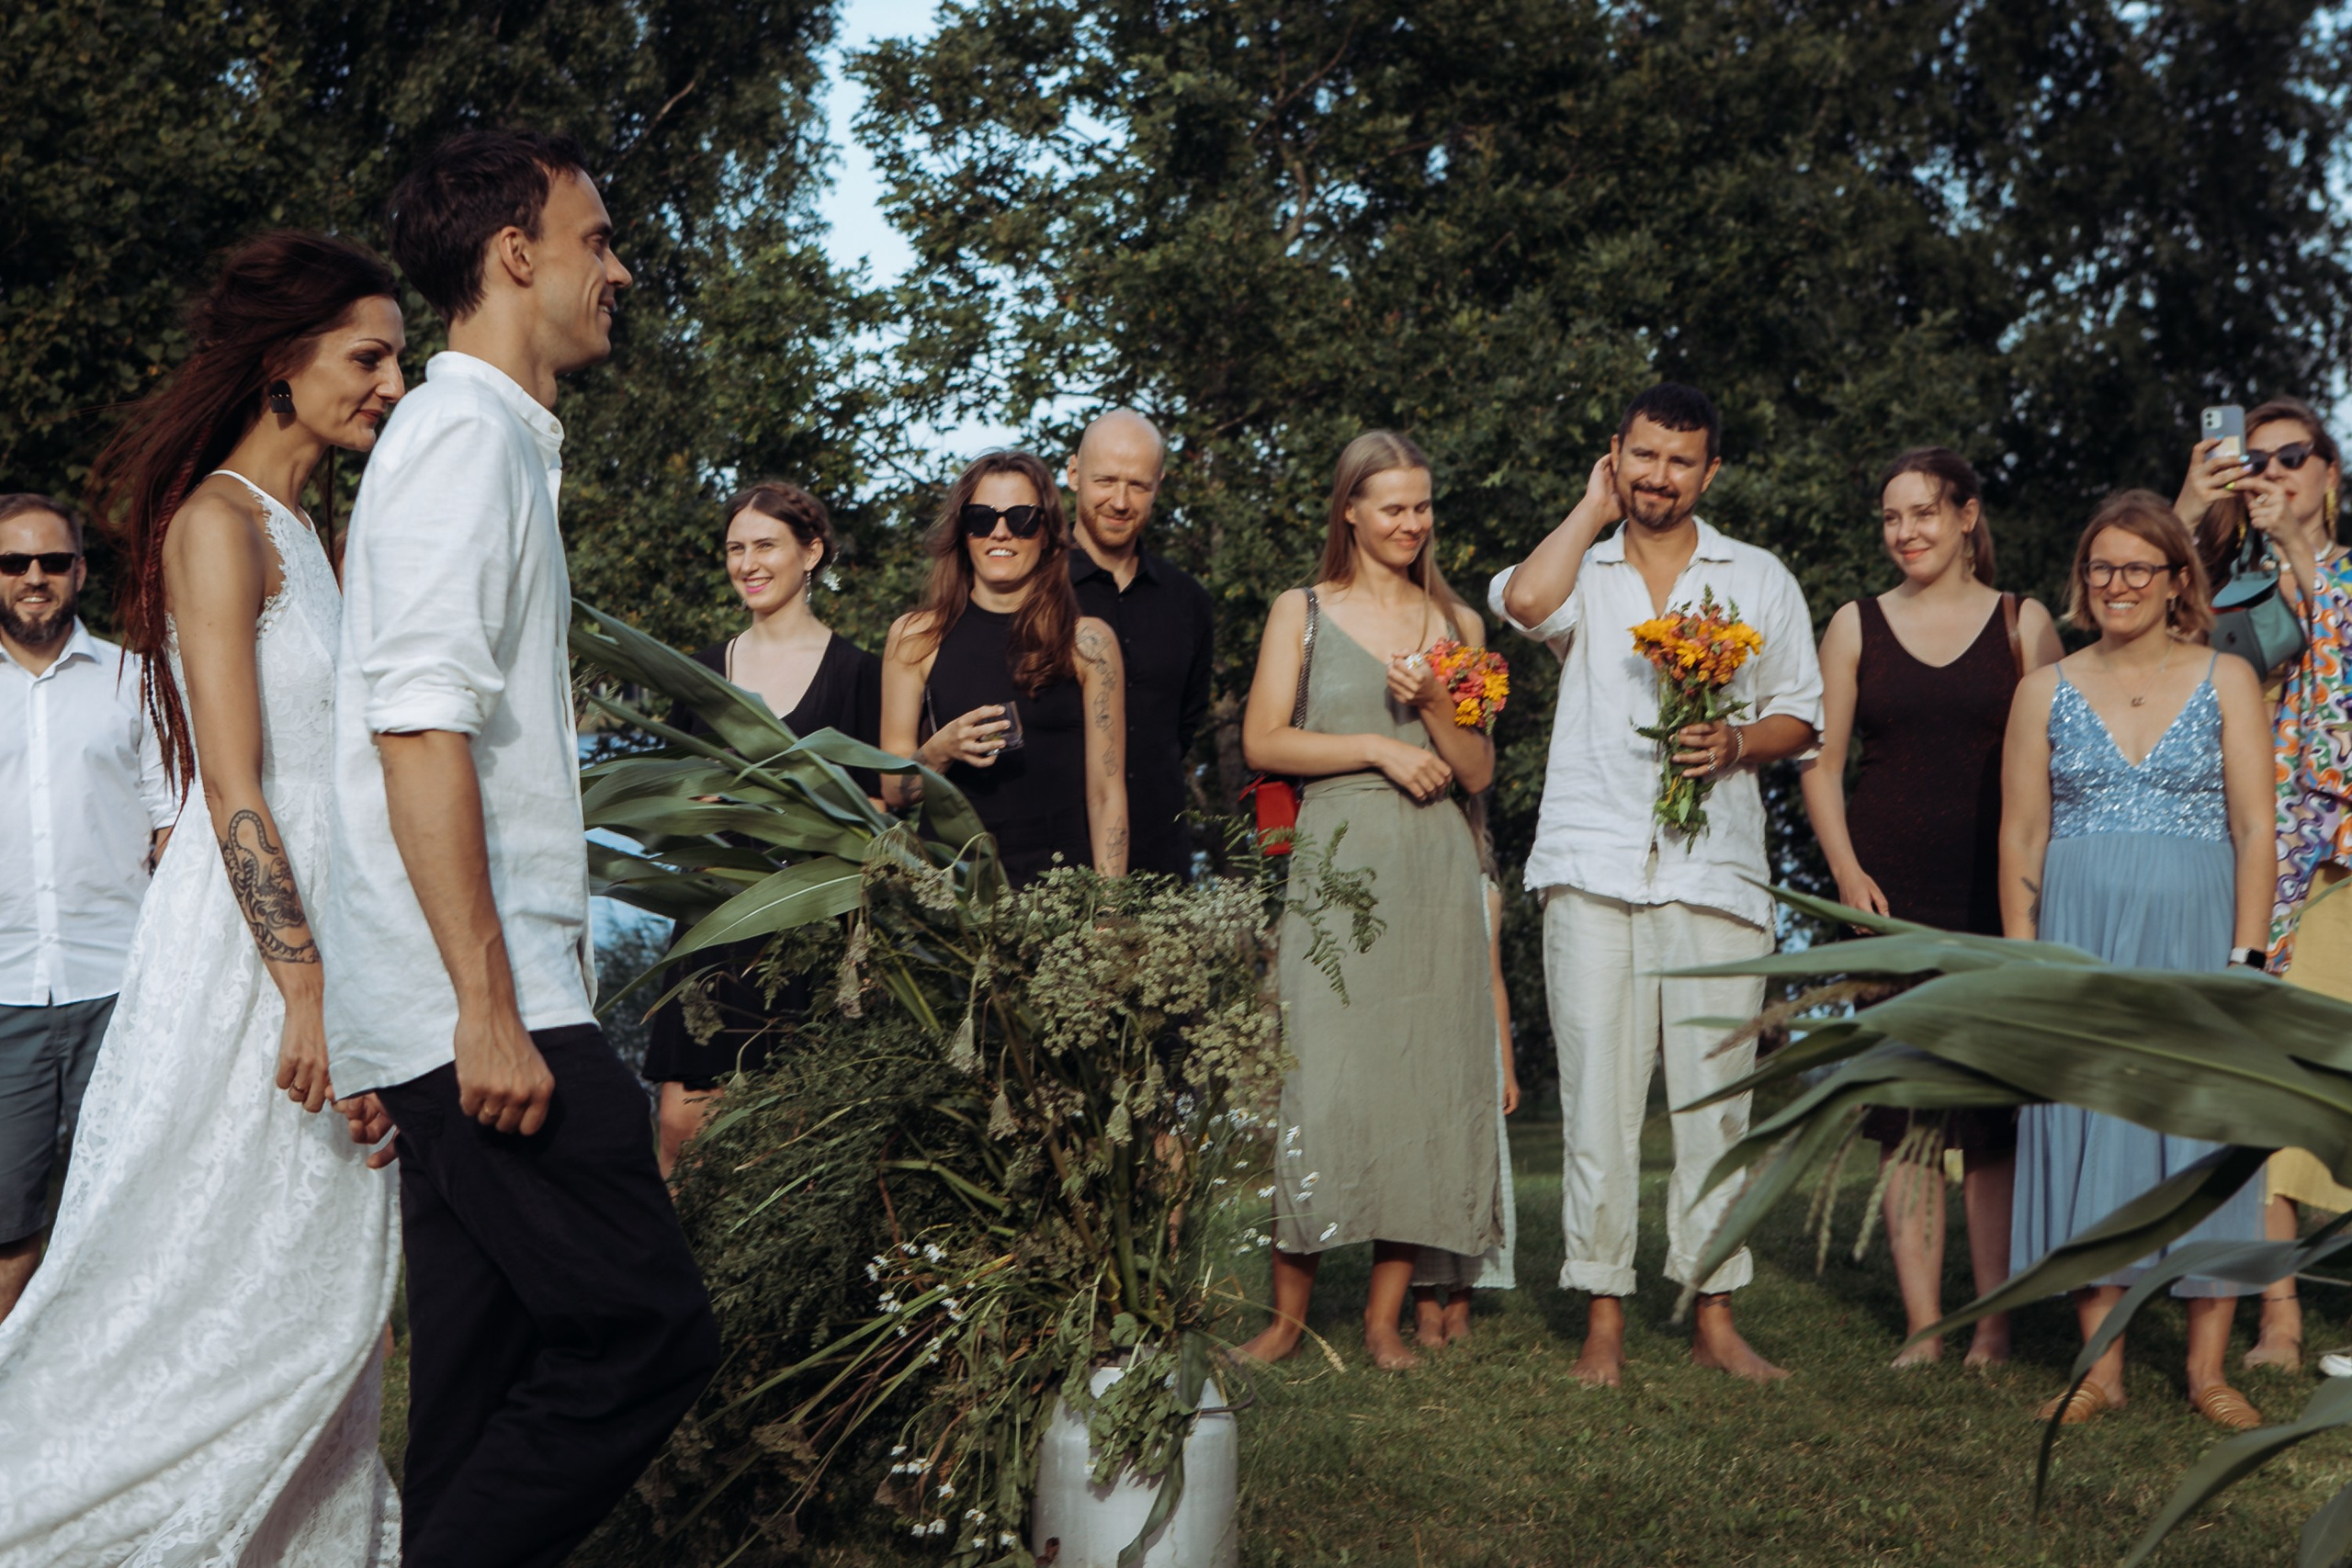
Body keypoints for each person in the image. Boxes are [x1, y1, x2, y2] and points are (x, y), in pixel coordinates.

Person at [321, 130, 719, 1565]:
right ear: (513, 253)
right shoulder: (463, 440)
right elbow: (417, 729)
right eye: (595, 239)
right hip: (490, 1012)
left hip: (447, 1005)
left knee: (479, 1389)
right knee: (649, 1332)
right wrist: (485, 1008)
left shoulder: (483, 442)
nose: (619, 270)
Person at [0, 232, 406, 1562]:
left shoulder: (312, 535)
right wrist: (307, 989)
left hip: (332, 932)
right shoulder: (216, 526)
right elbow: (232, 784)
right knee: (195, 1277)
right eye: (369, 357)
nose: (393, 385)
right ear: (283, 361)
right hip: (250, 961)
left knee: (312, 1289)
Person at [1489, 382, 1822, 1387]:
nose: (1659, 477)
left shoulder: (1755, 576)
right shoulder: (1583, 569)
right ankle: (1604, 1316)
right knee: (1597, 1102)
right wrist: (1590, 507)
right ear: (1616, 453)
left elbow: (1801, 714)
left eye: (1681, 461)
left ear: (1709, 471)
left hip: (1715, 871)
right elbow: (1522, 606)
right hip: (1591, 863)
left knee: (1715, 1105)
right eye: (1642, 456)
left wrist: (1735, 742)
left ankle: (1713, 1311)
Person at [2000, 491, 2272, 1430]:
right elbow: (2022, 833)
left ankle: (2207, 1371)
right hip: (2079, 938)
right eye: (2101, 567)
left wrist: (2246, 956)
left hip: (2199, 936)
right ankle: (2099, 1368)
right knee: (2087, 1125)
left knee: (2207, 1128)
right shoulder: (2043, 688)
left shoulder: (2227, 678)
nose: (2117, 584)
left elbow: (2254, 826)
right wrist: (2023, 961)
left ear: (2176, 580)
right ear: (2084, 580)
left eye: (2136, 568)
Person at [1235, 430, 1502, 1373]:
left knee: (1418, 1081)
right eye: (1392, 507)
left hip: (1433, 867)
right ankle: (1285, 1319)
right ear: (1349, 510)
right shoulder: (1301, 610)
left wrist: (1429, 706)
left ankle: (1384, 1321)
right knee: (1324, 1080)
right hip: (1338, 857)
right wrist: (1379, 747)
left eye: (1422, 506)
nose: (1410, 523)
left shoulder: (1459, 626)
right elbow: (1264, 741)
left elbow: (1476, 769)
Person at [1799, 449, 2064, 1368]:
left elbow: (2062, 761)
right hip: (1889, 896)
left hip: (1997, 894)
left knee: (1991, 1123)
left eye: (1922, 513)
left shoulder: (2023, 621)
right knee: (1906, 1115)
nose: (1905, 532)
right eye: (1890, 517)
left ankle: (1992, 1324)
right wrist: (1845, 872)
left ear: (1965, 516)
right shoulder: (1854, 624)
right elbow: (1822, 766)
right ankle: (1923, 1328)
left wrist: (2038, 895)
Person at [642, 479, 882, 1177]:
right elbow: (667, 807)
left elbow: (880, 812)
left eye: (766, 546)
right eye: (734, 548)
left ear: (812, 552)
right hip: (712, 927)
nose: (747, 563)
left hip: (810, 936)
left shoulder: (859, 675)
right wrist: (696, 809)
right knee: (681, 1130)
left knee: (792, 1144)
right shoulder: (699, 673)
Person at [2198, 401, 2350, 1371]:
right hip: (2258, 859)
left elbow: (2338, 716)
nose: (2273, 472)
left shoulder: (2345, 579)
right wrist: (2193, 504)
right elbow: (2124, 616)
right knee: (2269, 1077)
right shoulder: (2228, 587)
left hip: (2341, 857)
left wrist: (2299, 553)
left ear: (2330, 471)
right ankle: (2279, 1318)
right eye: (2255, 460)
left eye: (2291, 456)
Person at [0, 495, 176, 1324]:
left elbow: (175, 827)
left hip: (122, 988)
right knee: (7, 1236)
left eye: (52, 561)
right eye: (13, 562)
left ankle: (121, 1394)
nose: (34, 577)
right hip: (4, 997)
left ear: (79, 570)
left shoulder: (135, 679)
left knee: (131, 1224)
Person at [880, 450, 1130, 885]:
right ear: (963, 532)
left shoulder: (1088, 643)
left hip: (1062, 893)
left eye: (1021, 519)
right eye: (981, 518)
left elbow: (1106, 795)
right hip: (953, 893)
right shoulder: (915, 637)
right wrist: (940, 750)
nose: (1000, 532)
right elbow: (894, 789)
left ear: (1047, 533)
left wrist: (1109, 909)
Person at [1065, 409, 1215, 878]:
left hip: (1162, 869)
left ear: (1159, 486)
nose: (1120, 501)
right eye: (1105, 481)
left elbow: (1183, 730)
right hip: (1051, 870)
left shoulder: (1188, 601)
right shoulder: (1032, 592)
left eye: (1138, 485)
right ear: (1073, 474)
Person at [1409, 792, 1521, 1348]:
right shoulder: (1407, 889)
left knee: (1475, 1166)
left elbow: (1493, 981)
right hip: (1420, 1047)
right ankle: (1423, 1301)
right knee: (1422, 1167)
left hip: (1476, 1047)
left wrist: (1508, 1068)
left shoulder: (1486, 893)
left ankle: (1461, 1301)